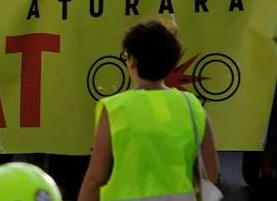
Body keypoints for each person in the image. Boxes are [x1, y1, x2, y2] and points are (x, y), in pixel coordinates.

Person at [79, 19, 218, 201]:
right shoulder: (191, 105)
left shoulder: (115, 108)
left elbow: (95, 179)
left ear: (132, 61)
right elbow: (211, 173)